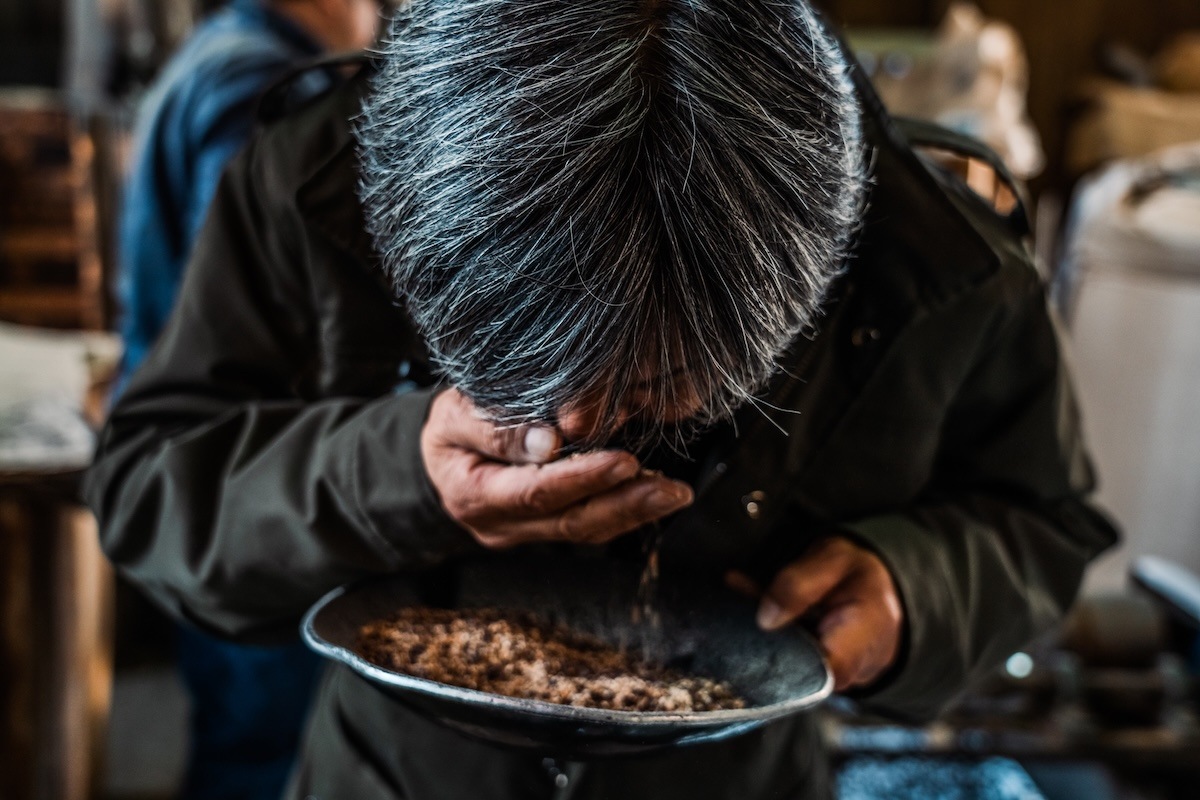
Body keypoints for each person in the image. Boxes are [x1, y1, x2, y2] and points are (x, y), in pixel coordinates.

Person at [88, 1, 1119, 798]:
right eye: (531, 383)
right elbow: (146, 493)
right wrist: (395, 470)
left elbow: (1047, 524)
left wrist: (914, 589)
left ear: (807, 286)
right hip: (393, 775)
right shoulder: (318, 178)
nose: (584, 430)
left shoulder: (933, 259)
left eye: (662, 391)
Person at [112, 1, 383, 798]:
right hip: (258, 494)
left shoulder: (213, 55)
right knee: (260, 755)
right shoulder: (265, 93)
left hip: (227, 481)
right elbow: (250, 314)